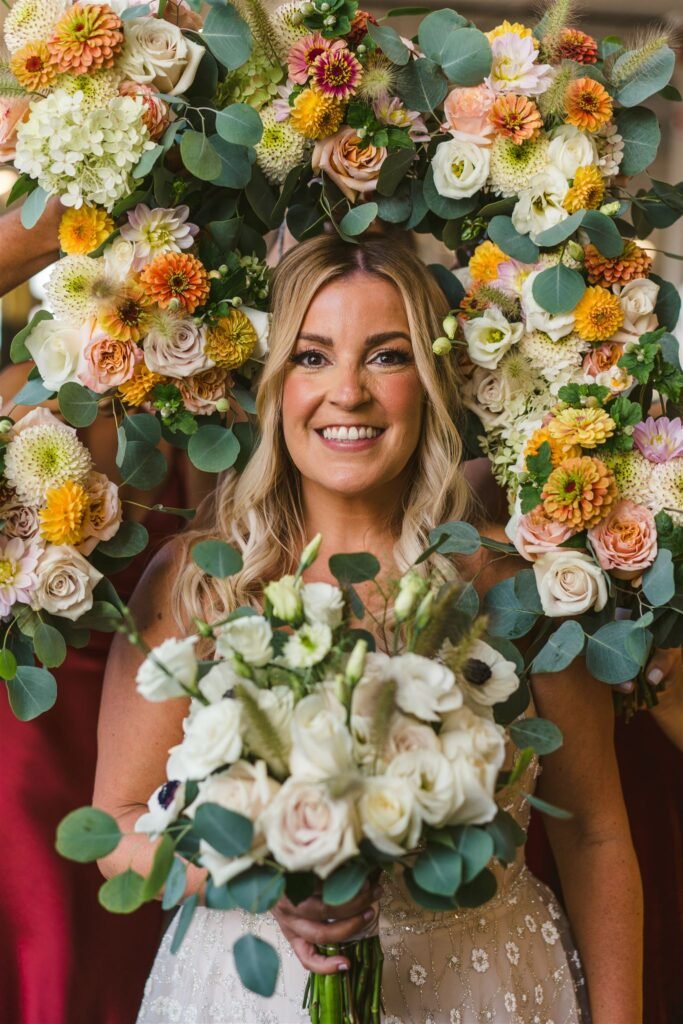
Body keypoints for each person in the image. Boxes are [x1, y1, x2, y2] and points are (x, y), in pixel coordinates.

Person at [94, 234, 643, 1024]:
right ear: (273, 383)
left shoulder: (516, 588)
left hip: (486, 988)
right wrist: (262, 876)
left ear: (428, 380)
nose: (346, 393)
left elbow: (594, 834)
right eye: (313, 357)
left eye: (385, 356)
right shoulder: (199, 583)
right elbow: (113, 832)